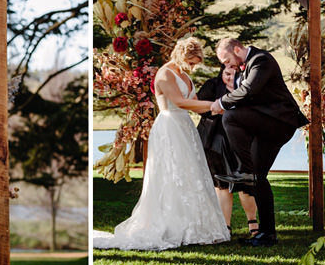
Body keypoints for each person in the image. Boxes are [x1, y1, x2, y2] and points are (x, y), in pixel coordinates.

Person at [93, 37, 230, 250]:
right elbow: (180, 102)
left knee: (191, 173)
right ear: (181, 56)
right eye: (191, 62)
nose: (193, 67)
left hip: (185, 127)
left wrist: (217, 107)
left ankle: (195, 226)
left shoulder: (185, 76)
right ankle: (170, 226)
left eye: (195, 63)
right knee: (170, 173)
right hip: (168, 127)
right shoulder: (165, 74)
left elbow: (193, 105)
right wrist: (213, 105)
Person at [211, 38, 309, 247]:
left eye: (227, 60)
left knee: (229, 117)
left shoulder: (261, 60)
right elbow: (247, 97)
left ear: (237, 49)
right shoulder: (247, 65)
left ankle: (243, 169)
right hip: (268, 125)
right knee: (258, 177)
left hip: (281, 121)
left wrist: (221, 102)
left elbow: (248, 91)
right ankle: (266, 234)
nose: (227, 66)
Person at [196, 65, 259, 236]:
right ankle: (226, 226)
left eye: (235, 74)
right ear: (221, 72)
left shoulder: (247, 87)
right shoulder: (212, 85)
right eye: (227, 74)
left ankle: (253, 223)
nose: (231, 78)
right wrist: (216, 108)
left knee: (246, 183)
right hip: (215, 141)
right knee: (221, 185)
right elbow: (197, 106)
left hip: (242, 142)